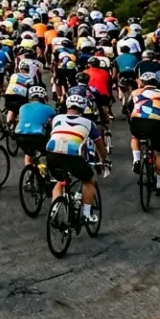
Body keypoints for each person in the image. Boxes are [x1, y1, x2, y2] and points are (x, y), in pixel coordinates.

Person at [46, 95, 106, 224]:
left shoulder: (57, 118)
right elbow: (99, 145)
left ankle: (54, 210)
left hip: (51, 154)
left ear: (67, 106)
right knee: (89, 181)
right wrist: (104, 160)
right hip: (71, 156)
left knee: (60, 181)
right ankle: (86, 215)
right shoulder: (89, 123)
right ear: (83, 108)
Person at [128, 73, 160, 196]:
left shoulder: (135, 93)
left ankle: (136, 160)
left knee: (135, 137)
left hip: (136, 123)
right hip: (155, 124)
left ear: (142, 83)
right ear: (157, 83)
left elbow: (128, 108)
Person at [14, 86, 55, 168]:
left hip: (19, 136)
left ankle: (30, 170)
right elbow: (54, 125)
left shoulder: (23, 107)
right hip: (37, 136)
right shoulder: (49, 108)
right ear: (44, 98)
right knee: (50, 154)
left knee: (29, 154)